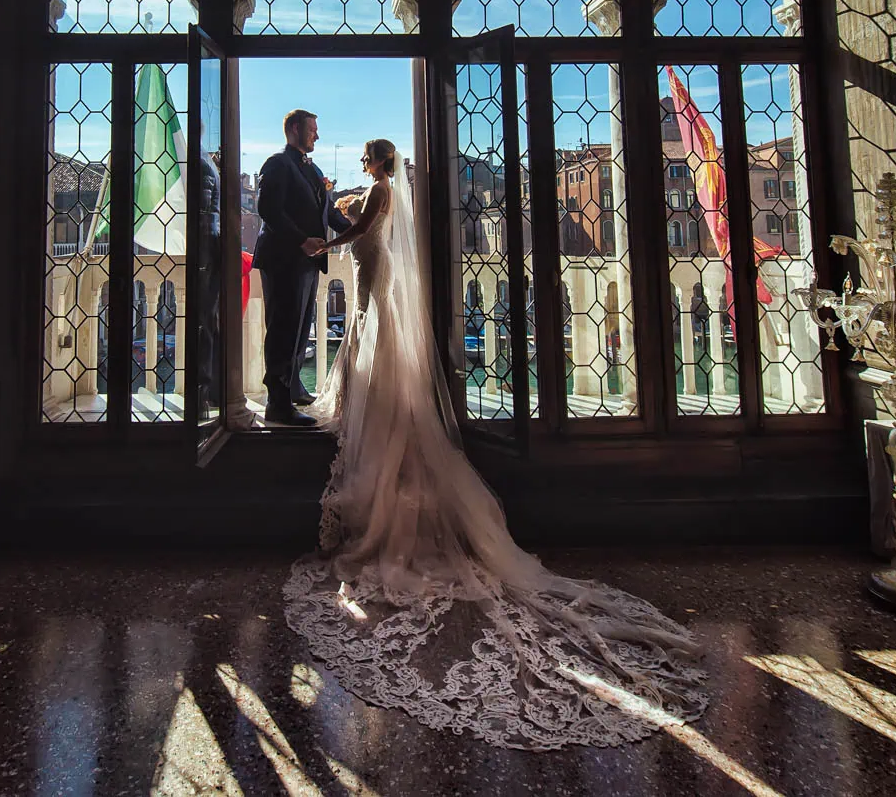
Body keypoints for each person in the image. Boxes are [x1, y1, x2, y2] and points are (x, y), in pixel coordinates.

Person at [285, 139, 707, 750]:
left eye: (367, 160)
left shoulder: (379, 193)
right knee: (369, 351)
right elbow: (368, 224)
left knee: (372, 353)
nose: (364, 166)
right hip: (373, 283)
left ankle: (366, 422)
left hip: (370, 280)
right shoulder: (384, 191)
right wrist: (339, 214)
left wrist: (328, 236)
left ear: (378, 163)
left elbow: (361, 232)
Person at [253, 109, 353, 427]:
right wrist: (301, 241)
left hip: (308, 262)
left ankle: (294, 388)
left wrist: (360, 226)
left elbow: (328, 214)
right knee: (283, 330)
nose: (317, 135)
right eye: (313, 129)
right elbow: (266, 209)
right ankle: (277, 405)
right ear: (295, 128)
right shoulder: (277, 164)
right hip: (283, 260)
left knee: (300, 329)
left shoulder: (313, 169)